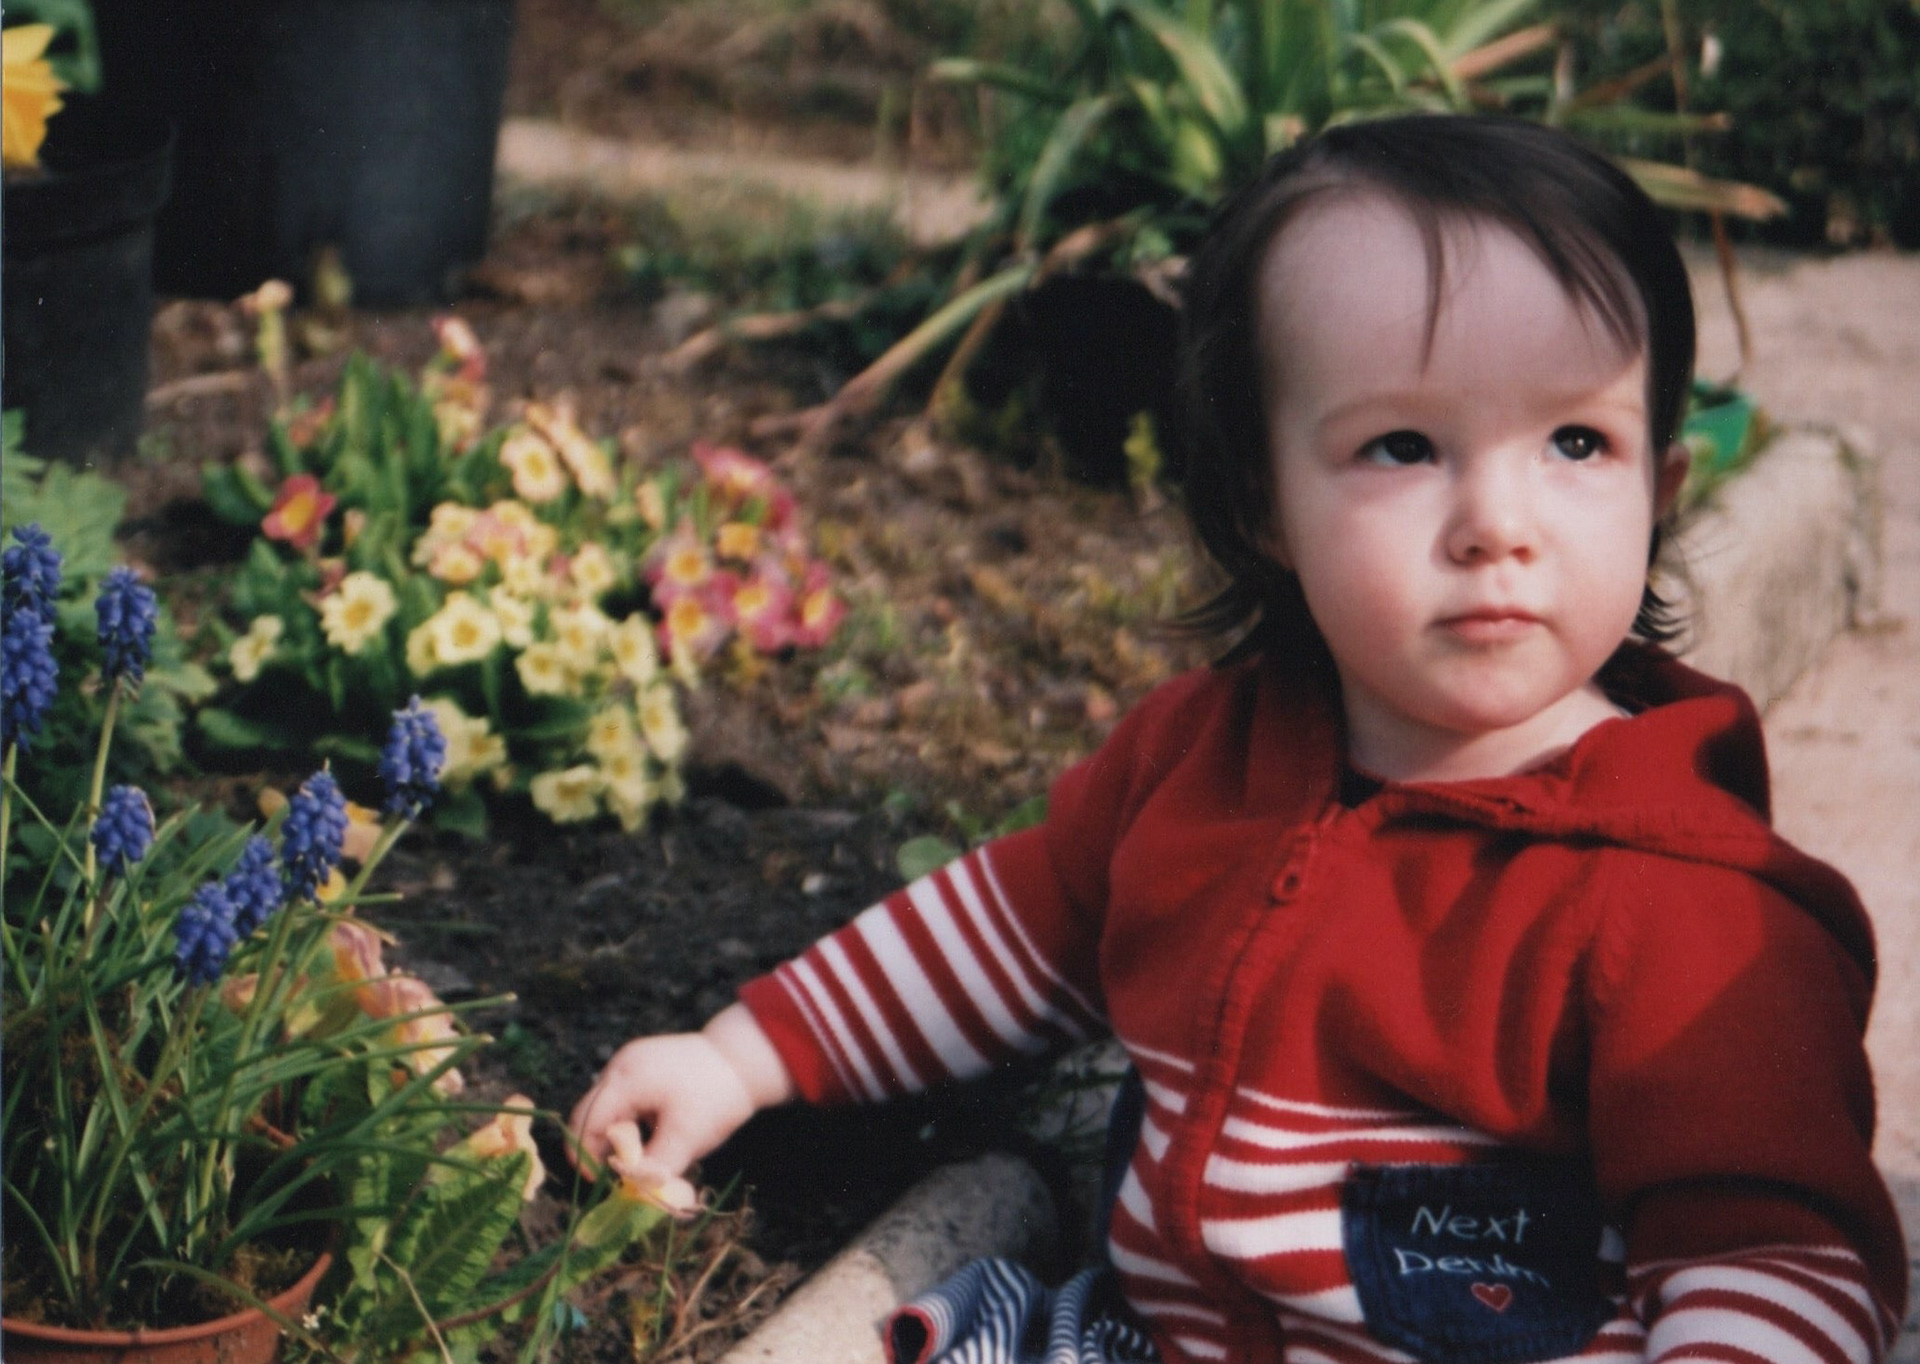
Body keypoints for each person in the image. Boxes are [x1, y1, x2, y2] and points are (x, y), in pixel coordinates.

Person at [571, 114, 1908, 1364]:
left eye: (1575, 441)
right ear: (1264, 505)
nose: (1498, 524)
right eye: (1403, 445)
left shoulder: (1686, 906)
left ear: (1661, 490)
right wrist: (743, 1056)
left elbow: (1774, 1256)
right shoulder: (1204, 761)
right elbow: (1015, 929)